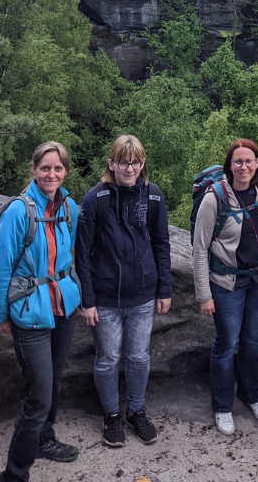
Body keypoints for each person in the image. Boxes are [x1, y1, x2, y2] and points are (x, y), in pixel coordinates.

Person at [0, 141, 83, 482]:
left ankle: (45, 439)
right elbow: (0, 271)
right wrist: (2, 316)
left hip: (63, 308)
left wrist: (80, 299)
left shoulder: (69, 207)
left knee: (53, 384)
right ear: (33, 169)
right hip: (30, 313)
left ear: (65, 171)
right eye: (45, 168)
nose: (51, 174)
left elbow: (71, 257)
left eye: (58, 168)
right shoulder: (19, 211)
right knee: (39, 397)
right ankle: (14, 475)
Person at [75, 135, 172, 449]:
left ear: (142, 163)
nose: (129, 168)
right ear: (111, 164)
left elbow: (161, 245)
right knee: (107, 359)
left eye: (135, 162)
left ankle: (136, 410)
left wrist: (164, 289)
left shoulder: (153, 196)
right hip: (104, 299)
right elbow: (83, 253)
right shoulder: (96, 199)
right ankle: (112, 414)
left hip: (143, 295)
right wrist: (87, 301)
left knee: (140, 357)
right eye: (123, 161)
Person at [192, 138, 258, 436]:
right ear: (230, 165)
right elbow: (199, 248)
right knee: (226, 344)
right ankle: (223, 405)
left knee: (252, 341)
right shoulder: (215, 198)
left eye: (249, 161)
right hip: (226, 283)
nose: (244, 167)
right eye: (238, 161)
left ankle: (251, 395)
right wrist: (203, 294)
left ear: (257, 164)